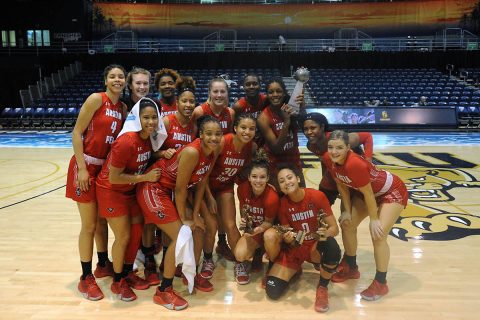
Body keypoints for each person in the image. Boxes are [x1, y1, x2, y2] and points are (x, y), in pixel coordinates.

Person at [137, 115, 223, 305]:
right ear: (200, 134)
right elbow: (180, 188)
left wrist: (194, 216)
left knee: (199, 228)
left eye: (218, 134)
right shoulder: (193, 152)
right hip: (155, 188)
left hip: (170, 191)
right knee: (180, 234)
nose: (214, 138)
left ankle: (188, 272)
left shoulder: (214, 151)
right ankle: (164, 289)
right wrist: (184, 218)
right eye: (209, 134)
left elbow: (201, 183)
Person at [323, 130, 409, 301]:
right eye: (331, 147)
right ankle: (351, 266)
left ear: (348, 147)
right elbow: (341, 186)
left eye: (339, 147)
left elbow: (369, 194)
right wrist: (347, 210)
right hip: (367, 193)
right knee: (347, 223)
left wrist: (374, 219)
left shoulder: (355, 164)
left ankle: (381, 282)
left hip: (391, 192)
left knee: (378, 234)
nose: (334, 151)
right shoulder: (328, 158)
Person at [66, 64, 127, 301]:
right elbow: (76, 133)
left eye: (121, 76)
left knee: (102, 221)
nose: (117, 79)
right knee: (89, 225)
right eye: (112, 76)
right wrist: (82, 168)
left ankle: (103, 264)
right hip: (86, 166)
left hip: (104, 169)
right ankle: (85, 277)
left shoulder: (122, 107)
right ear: (105, 80)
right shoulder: (96, 99)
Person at [95, 97, 164, 302]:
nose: (151, 122)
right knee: (123, 236)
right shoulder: (126, 141)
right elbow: (114, 177)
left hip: (129, 190)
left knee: (136, 234)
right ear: (137, 118)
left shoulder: (148, 139)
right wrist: (145, 178)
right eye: (146, 118)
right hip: (111, 191)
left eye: (154, 117)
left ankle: (127, 272)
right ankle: (118, 282)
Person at [262, 166, 341, 312]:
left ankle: (323, 287)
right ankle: (294, 269)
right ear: (280, 186)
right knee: (272, 290)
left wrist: (323, 235)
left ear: (298, 179)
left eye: (289, 177)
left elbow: (334, 229)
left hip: (315, 247)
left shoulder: (317, 196)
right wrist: (288, 239)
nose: (287, 182)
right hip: (296, 250)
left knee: (331, 246)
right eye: (282, 181)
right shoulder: (283, 204)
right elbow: (289, 237)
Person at [200, 113, 257, 284]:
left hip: (225, 187)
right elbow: (204, 173)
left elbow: (242, 172)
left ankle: (240, 262)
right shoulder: (223, 142)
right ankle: (208, 260)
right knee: (212, 226)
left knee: (231, 224)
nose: (247, 132)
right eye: (243, 128)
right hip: (206, 187)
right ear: (235, 128)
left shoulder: (251, 147)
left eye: (251, 128)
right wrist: (209, 197)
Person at [152, 76, 197, 277]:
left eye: (191, 102)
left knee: (179, 223)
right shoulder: (167, 122)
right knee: (167, 227)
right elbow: (149, 150)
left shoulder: (194, 127)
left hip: (182, 183)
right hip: (163, 181)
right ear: (177, 103)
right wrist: (163, 153)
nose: (188, 105)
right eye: (184, 101)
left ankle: (175, 261)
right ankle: (164, 265)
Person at [192, 77, 236, 261]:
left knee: (225, 215)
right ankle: (203, 256)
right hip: (203, 172)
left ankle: (223, 243)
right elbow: (194, 141)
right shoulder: (199, 112)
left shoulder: (231, 113)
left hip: (223, 171)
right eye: (215, 91)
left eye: (222, 91)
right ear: (209, 93)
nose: (219, 95)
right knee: (209, 219)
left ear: (227, 93)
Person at [301, 112, 373, 205]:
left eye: (313, 128)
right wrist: (325, 178)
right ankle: (322, 217)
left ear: (322, 127)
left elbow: (367, 136)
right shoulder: (311, 146)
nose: (309, 132)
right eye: (305, 129)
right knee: (322, 197)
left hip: (353, 171)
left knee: (347, 210)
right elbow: (325, 162)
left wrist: (368, 162)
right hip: (337, 171)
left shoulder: (338, 139)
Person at [233, 149, 280, 283]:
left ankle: (272, 264)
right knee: (240, 255)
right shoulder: (241, 189)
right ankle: (256, 252)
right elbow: (244, 210)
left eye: (262, 177)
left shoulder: (272, 197)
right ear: (248, 177)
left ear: (268, 178)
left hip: (267, 230)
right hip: (253, 230)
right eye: (254, 176)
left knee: (269, 236)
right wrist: (244, 222)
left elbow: (269, 222)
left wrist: (259, 229)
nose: (258, 181)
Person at [257, 77, 304, 190]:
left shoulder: (292, 107)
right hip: (274, 163)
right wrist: (286, 122)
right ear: (267, 95)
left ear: (284, 93)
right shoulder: (264, 117)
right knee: (278, 200)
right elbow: (276, 149)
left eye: (278, 91)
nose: (275, 94)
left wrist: (302, 108)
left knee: (301, 196)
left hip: (294, 161)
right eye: (271, 92)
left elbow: (304, 125)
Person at [233, 73, 268, 147]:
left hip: (266, 143)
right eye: (248, 84)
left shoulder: (266, 100)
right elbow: (234, 130)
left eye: (255, 84)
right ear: (244, 87)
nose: (251, 87)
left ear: (260, 85)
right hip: (246, 145)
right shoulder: (238, 106)